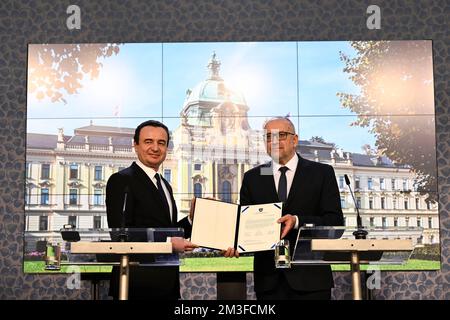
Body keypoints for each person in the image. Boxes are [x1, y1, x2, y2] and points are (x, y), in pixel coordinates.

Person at [226, 117, 344, 300]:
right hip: (269, 282)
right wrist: (231, 241)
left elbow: (335, 223)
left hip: (311, 281)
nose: (273, 142)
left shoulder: (322, 173)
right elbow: (244, 225)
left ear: (294, 140)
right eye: (268, 137)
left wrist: (298, 221)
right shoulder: (252, 178)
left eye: (280, 135)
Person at [106, 120, 196, 300]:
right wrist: (170, 242)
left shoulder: (165, 185)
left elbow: (170, 230)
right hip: (135, 285)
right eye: (148, 142)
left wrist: (192, 219)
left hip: (167, 285)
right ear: (136, 145)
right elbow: (122, 234)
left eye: (161, 143)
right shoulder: (121, 180)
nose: (155, 148)